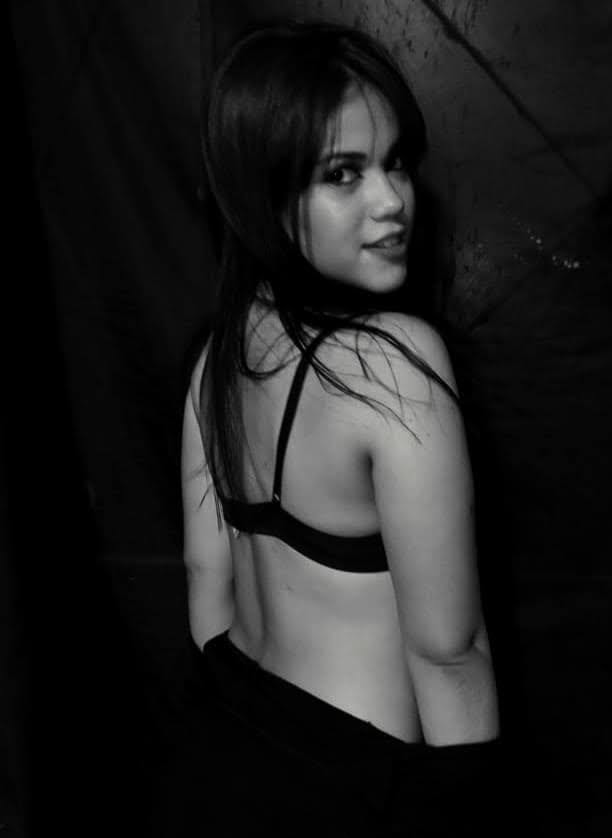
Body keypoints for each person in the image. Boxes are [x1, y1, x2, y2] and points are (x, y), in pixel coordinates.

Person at [157, 18, 503, 837]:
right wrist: (470, 810)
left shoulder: (216, 356)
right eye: (343, 174)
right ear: (263, 195)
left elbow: (206, 577)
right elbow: (447, 649)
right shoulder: (392, 364)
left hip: (222, 742)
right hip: (354, 786)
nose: (391, 202)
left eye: (395, 164)